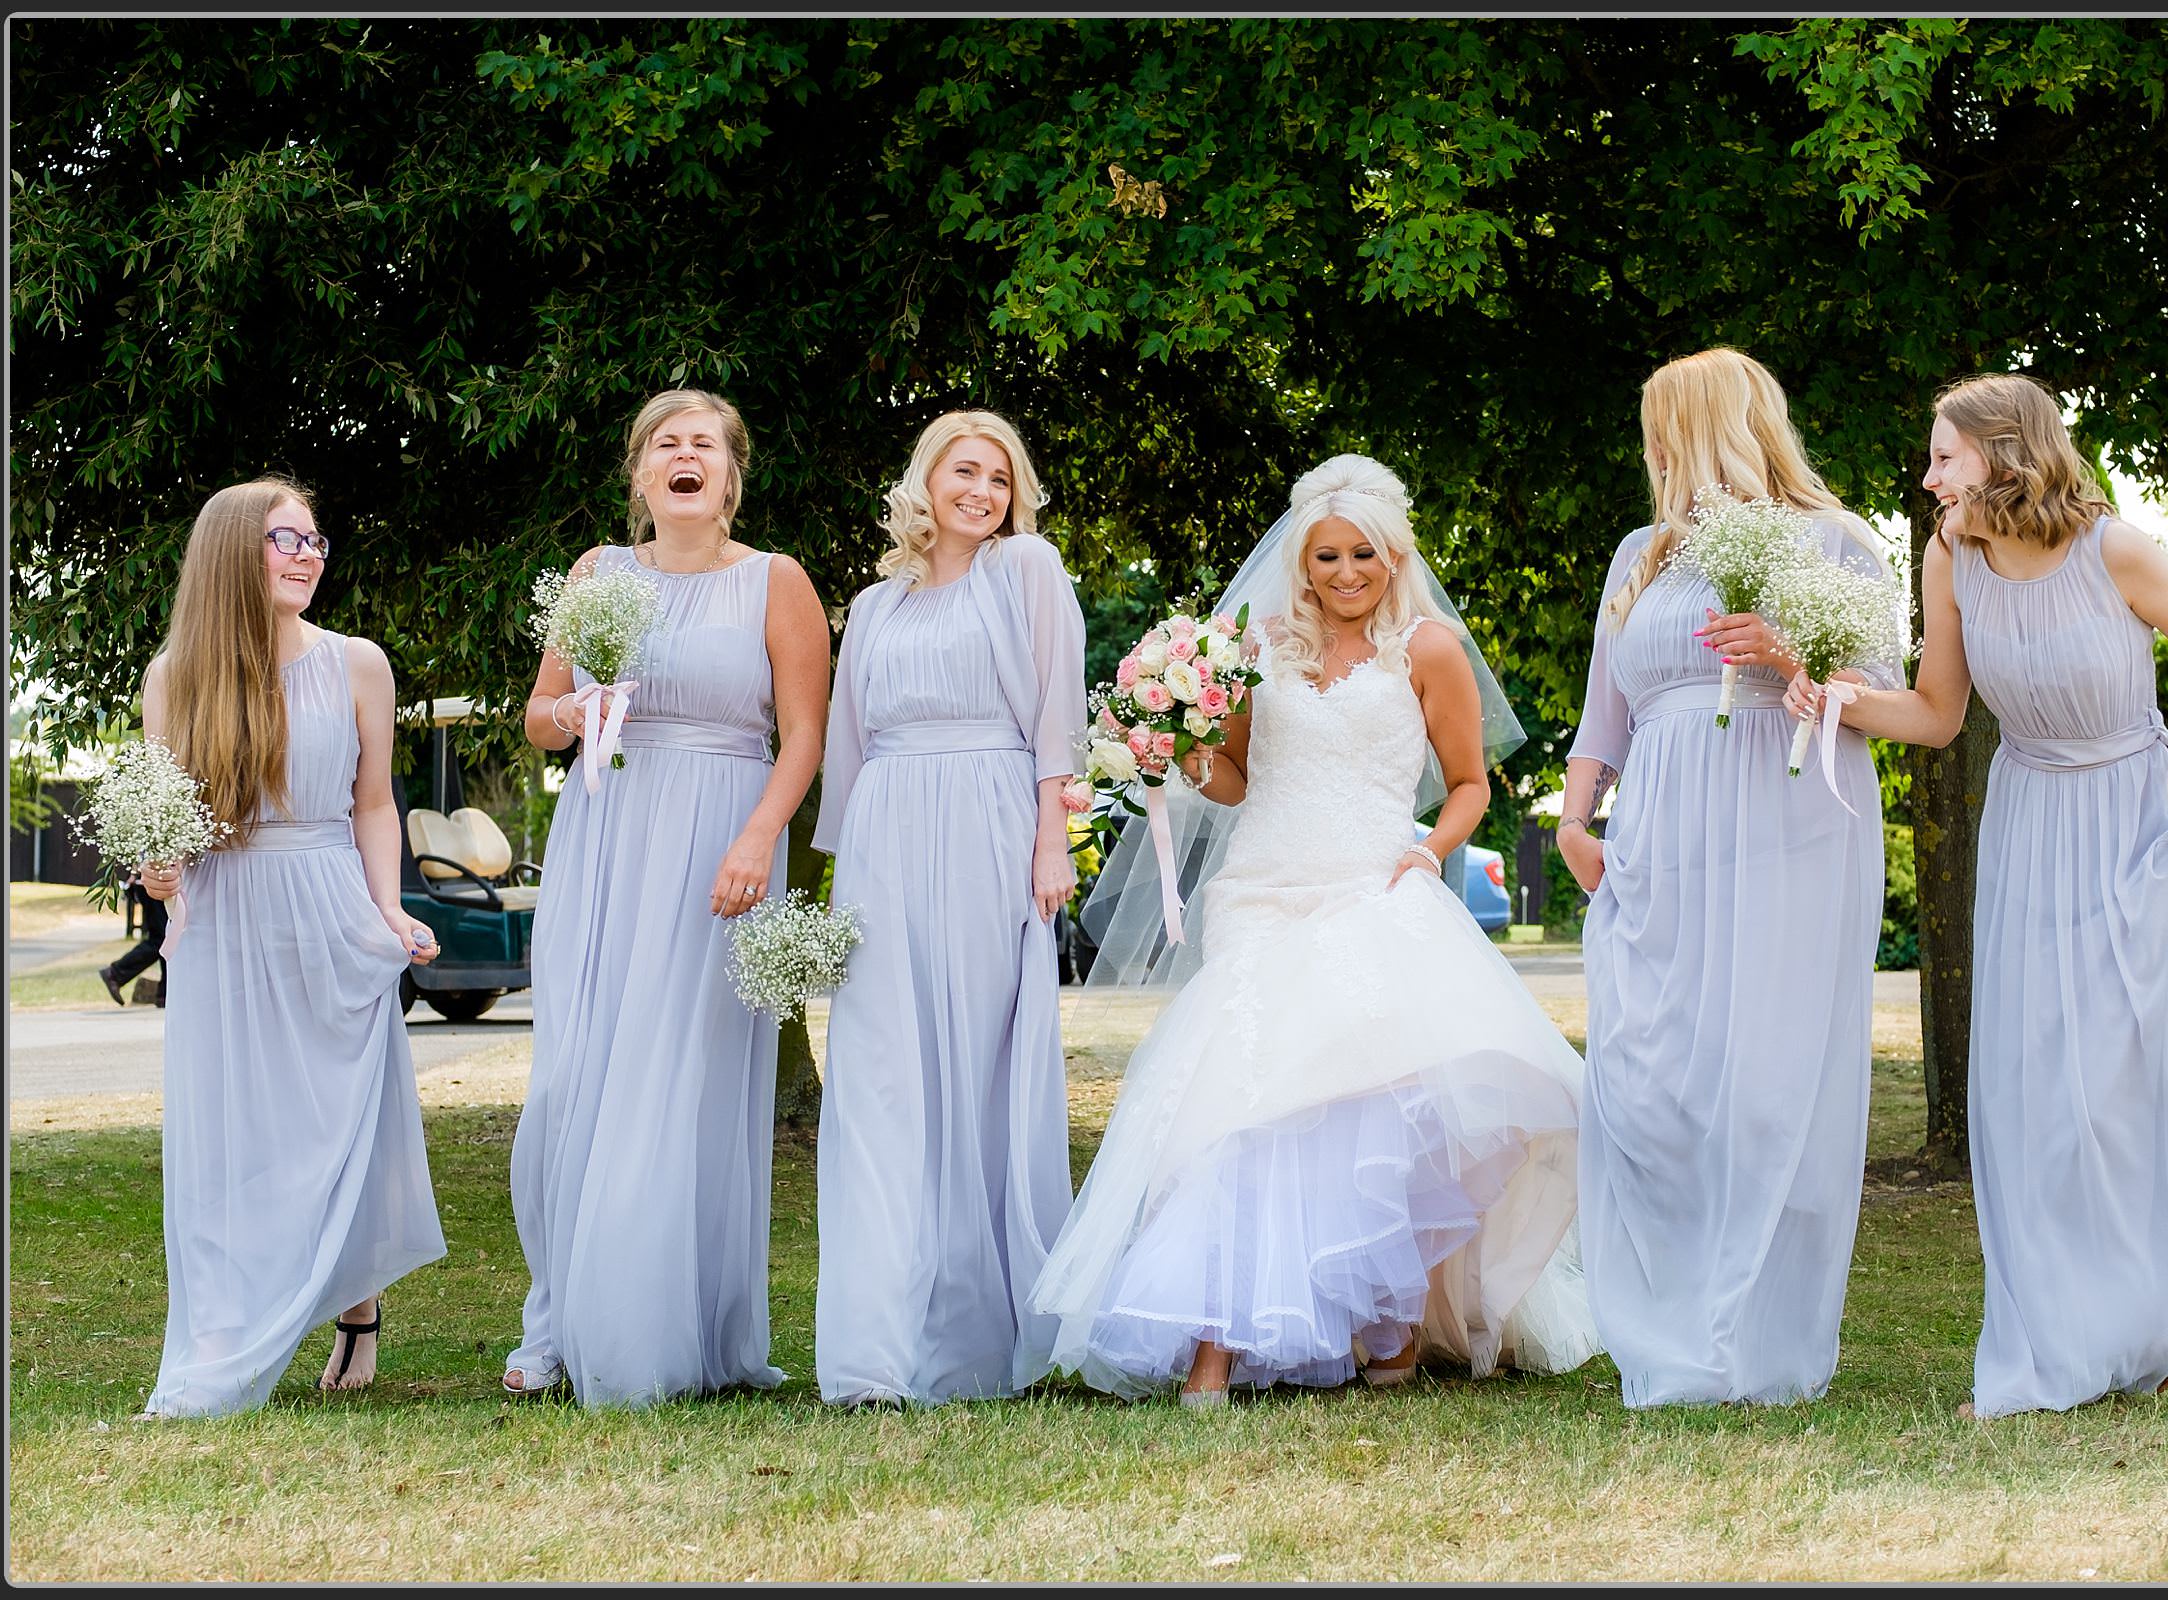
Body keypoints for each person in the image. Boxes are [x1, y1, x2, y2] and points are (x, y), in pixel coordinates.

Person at [1790, 371, 2168, 1419]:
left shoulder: (2113, 547)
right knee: (2033, 1093)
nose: (1930, 474)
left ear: (2005, 451)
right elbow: (1940, 712)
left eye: (1946, 454)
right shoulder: (1951, 557)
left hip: (2130, 815)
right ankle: (2051, 1340)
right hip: (2030, 821)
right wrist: (1842, 702)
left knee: (2124, 1086)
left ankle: (2148, 1321)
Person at [1031, 453, 1599, 1407]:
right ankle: (1215, 1344)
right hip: (1262, 887)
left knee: (1383, 1107)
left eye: (1362, 555)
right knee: (1240, 1104)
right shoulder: (1261, 649)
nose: (1344, 573)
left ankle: (1391, 1322)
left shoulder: (1428, 649)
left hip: (1373, 885)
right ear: (1301, 562)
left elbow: (1470, 785)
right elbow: (1238, 779)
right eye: (1326, 556)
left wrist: (1429, 853)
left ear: (1393, 555)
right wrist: (1172, 752)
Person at [1556, 347, 1899, 1407]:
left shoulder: (1837, 543)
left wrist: (1795, 660)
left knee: (1764, 1082)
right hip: (1659, 830)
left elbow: (1885, 695)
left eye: (1661, 423)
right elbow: (1602, 712)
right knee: (1645, 1080)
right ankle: (1664, 1319)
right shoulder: (1641, 556)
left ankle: (1753, 1340)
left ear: (1708, 424)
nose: (1650, 446)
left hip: (1789, 821)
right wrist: (1576, 817)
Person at [505, 389, 831, 1406]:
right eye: (664, 443)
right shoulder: (599, 574)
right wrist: (574, 705)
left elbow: (805, 735)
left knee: (682, 1081)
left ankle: (681, 1329)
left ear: (730, 477)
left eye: (705, 445)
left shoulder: (776, 582)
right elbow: (539, 723)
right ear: (641, 473)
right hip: (608, 836)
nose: (684, 456)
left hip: (721, 844)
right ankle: (556, 1322)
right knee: (576, 1075)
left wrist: (755, 838)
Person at [137, 478, 446, 1417]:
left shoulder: (359, 664)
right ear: (236, 548)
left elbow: (373, 804)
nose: (310, 556)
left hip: (328, 899)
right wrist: (159, 870)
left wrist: (388, 911)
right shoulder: (172, 677)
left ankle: (357, 1309)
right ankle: (228, 1323)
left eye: (316, 540)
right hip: (225, 915)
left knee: (336, 1114)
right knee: (237, 1125)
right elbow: (166, 822)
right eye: (287, 540)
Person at [812, 409, 1086, 1408]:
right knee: (881, 1074)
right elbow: (849, 744)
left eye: (1000, 479)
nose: (981, 491)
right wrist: (838, 888)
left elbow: (1058, 709)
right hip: (886, 837)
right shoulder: (873, 604)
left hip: (989, 823)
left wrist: (1050, 837)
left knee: (977, 1065)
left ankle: (984, 1331)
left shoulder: (1028, 573)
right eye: (964, 470)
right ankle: (875, 1349)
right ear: (925, 480)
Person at [100, 868, 168, 1006]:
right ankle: (115, 973)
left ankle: (164, 994)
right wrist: (134, 873)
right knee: (162, 940)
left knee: (166, 937)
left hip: (154, 879)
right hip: (151, 880)